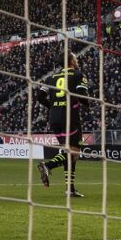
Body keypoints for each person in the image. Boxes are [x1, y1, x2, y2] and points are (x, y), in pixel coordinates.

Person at [36, 44, 90, 198]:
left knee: (68, 152)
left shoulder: (51, 77)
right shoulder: (78, 75)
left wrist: (53, 106)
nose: (77, 60)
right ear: (71, 61)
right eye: (75, 58)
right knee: (74, 152)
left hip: (54, 117)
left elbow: (40, 97)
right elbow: (82, 94)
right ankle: (48, 165)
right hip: (70, 117)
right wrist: (88, 105)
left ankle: (70, 189)